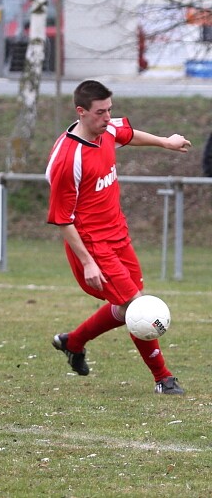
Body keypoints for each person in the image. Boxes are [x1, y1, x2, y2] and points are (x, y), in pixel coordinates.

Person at [45, 79, 191, 395]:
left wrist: (165, 142)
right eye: (100, 112)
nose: (108, 117)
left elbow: (127, 133)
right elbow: (62, 219)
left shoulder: (107, 129)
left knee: (128, 305)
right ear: (81, 112)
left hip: (118, 235)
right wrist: (88, 262)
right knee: (137, 307)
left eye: (109, 109)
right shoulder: (69, 159)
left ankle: (74, 342)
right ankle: (163, 378)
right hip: (93, 245)